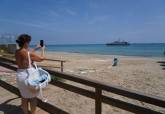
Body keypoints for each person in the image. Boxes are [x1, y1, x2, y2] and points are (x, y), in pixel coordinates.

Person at [15, 34, 45, 114]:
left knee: (24, 97)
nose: (29, 43)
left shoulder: (17, 51)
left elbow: (27, 53)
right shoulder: (28, 53)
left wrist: (36, 48)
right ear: (26, 43)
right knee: (33, 98)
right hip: (28, 76)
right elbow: (41, 59)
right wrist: (42, 49)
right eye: (28, 42)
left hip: (20, 75)